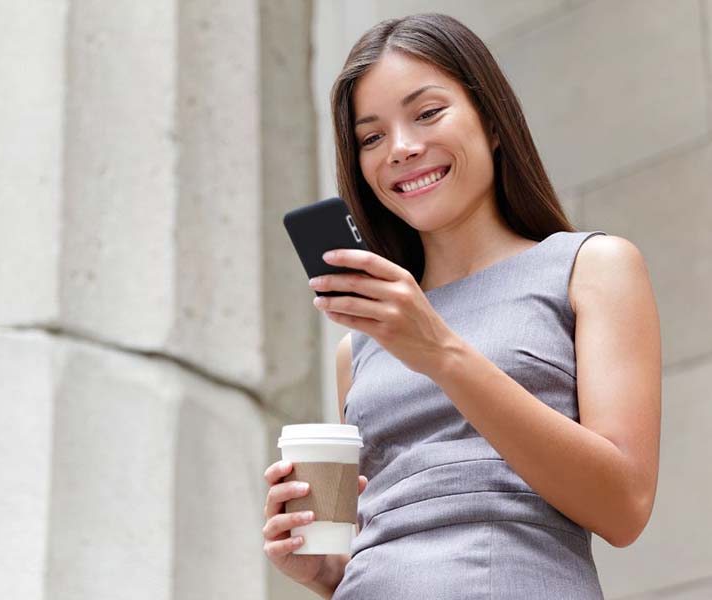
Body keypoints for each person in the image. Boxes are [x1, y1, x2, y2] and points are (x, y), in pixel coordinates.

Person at [262, 13, 661, 599]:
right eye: (371, 137)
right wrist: (326, 573)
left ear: (492, 123)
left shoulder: (590, 268)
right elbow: (397, 530)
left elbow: (624, 507)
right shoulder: (363, 345)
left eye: (427, 113)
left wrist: (440, 352)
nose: (401, 148)